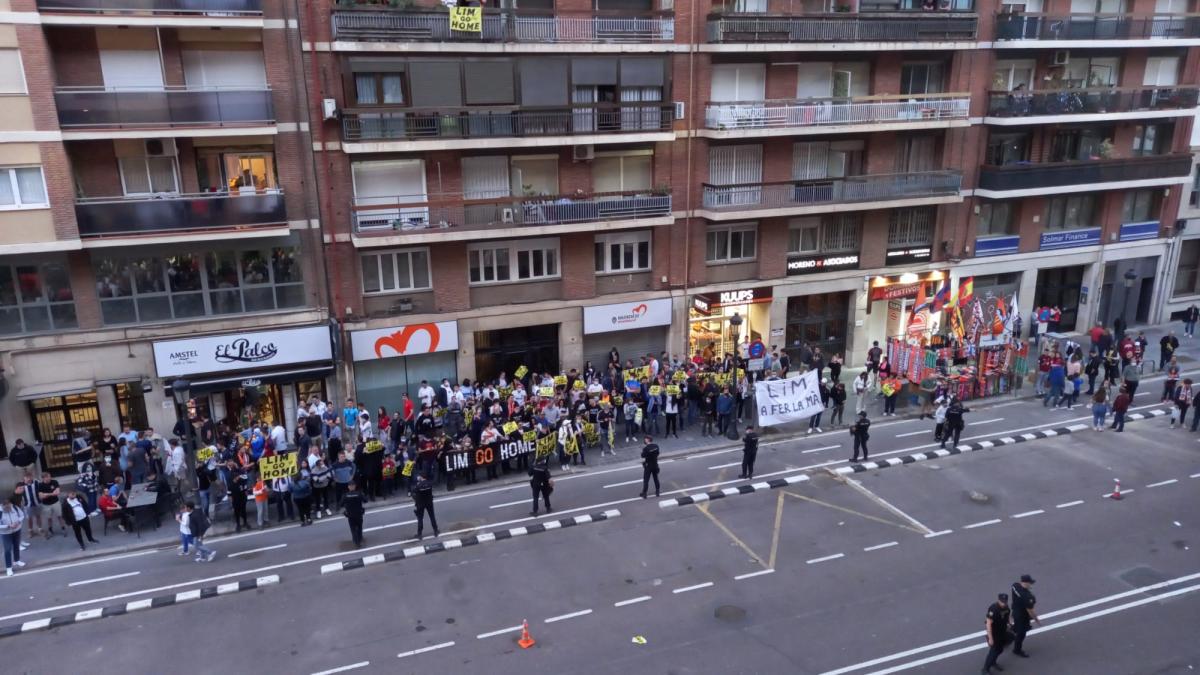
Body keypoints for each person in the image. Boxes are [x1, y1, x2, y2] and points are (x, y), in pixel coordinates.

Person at [1010, 574, 1039, 658]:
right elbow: (1030, 611)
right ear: (1026, 583)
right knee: (1021, 633)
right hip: (1023, 616)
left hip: (1015, 612)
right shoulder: (1028, 597)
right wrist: (1036, 619)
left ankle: (1013, 630)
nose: (1031, 584)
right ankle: (1017, 650)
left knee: (1016, 627)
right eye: (1030, 583)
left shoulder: (1014, 586)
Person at [982, 593, 1012, 674]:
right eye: (1002, 601)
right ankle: (985, 669)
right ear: (998, 600)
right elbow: (988, 624)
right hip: (994, 633)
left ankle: (993, 662)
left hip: (1002, 631)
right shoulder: (993, 609)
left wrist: (1009, 623)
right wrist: (990, 638)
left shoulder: (1006, 607)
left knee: (1000, 649)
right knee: (993, 651)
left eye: (1005, 601)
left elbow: (1007, 615)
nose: (1004, 603)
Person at [36, 472, 65, 538]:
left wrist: (46, 494)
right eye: (48, 477)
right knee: (49, 518)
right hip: (46, 505)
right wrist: (52, 494)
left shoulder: (54, 482)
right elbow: (41, 496)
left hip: (55, 502)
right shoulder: (40, 485)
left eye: (49, 476)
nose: (50, 478)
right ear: (44, 478)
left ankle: (63, 528)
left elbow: (57, 492)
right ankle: (50, 529)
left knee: (60, 516)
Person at [411, 473, 440, 539]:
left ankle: (420, 534)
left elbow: (413, 491)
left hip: (420, 503)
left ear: (421, 477)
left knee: (420, 519)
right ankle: (435, 531)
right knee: (432, 517)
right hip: (429, 502)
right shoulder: (430, 484)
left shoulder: (418, 485)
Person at [1, 497, 25, 576]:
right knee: (7, 550)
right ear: (2, 506)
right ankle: (9, 568)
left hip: (16, 530)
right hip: (6, 533)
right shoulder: (0, 512)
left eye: (9, 506)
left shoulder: (15, 507)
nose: (8, 508)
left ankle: (17, 560)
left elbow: (22, 515)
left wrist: (18, 522)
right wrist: (8, 526)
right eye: (6, 507)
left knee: (16, 546)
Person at [343, 480, 365, 547]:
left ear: (348, 487)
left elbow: (340, 504)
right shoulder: (359, 493)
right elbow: (365, 500)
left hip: (350, 514)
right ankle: (360, 538)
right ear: (355, 486)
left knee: (353, 528)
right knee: (359, 527)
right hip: (359, 513)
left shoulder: (345, 495)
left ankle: (356, 542)